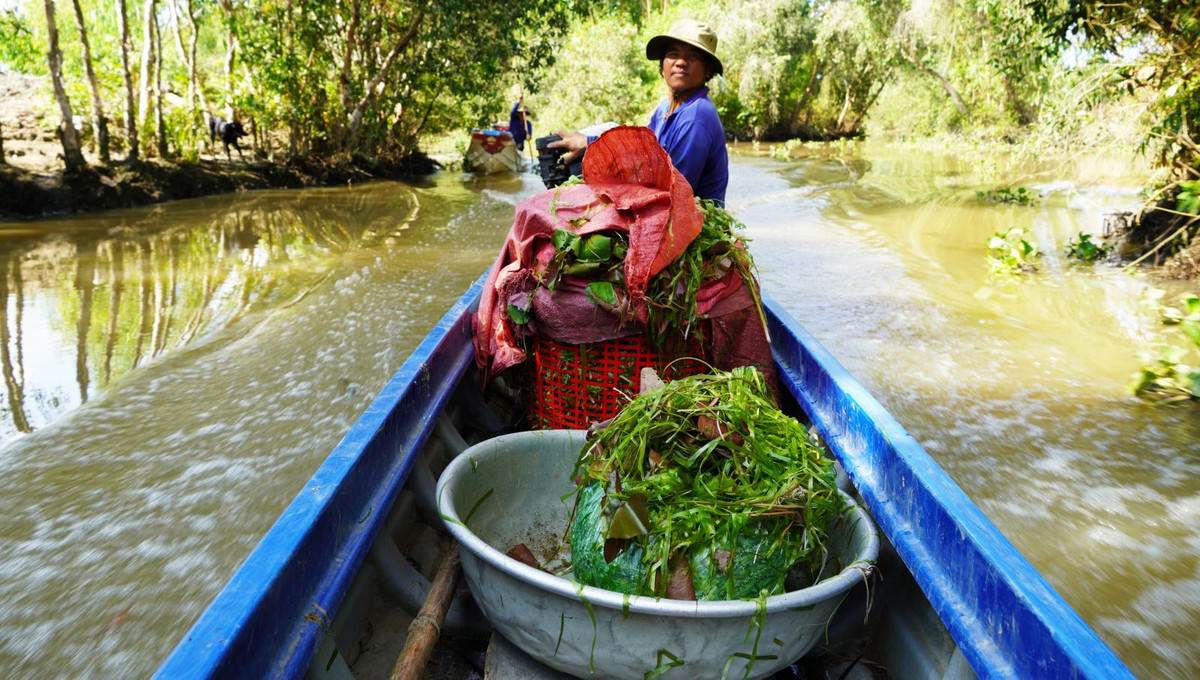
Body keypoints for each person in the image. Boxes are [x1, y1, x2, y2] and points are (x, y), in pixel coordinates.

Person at [551, 19, 729, 205]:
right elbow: (641, 152)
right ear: (662, 65)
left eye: (692, 56)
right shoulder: (665, 108)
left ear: (708, 70)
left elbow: (674, 190)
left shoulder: (696, 116)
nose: (681, 62)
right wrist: (590, 143)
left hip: (691, 220)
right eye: (673, 54)